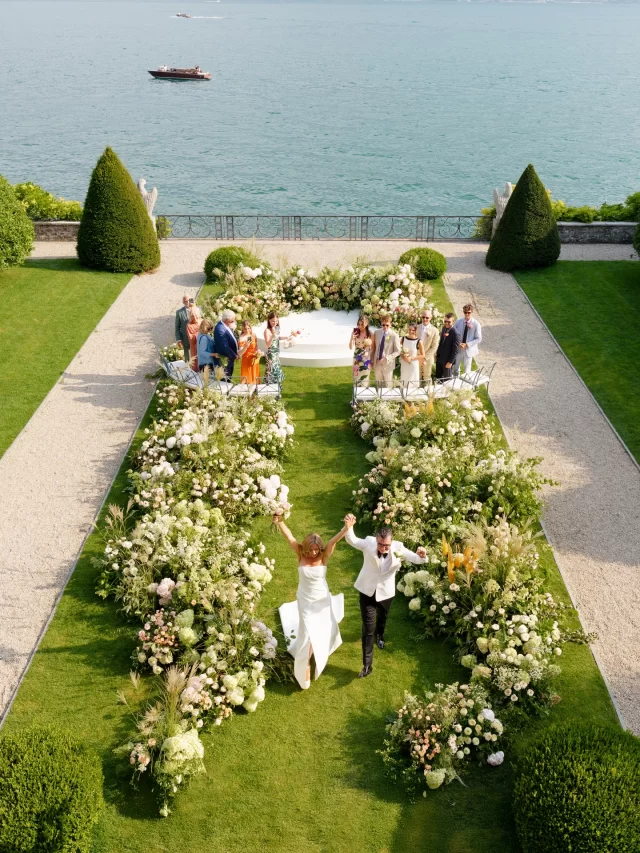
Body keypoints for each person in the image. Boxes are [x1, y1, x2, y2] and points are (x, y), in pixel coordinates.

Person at [344, 514, 426, 678]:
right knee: (368, 628)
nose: (383, 548)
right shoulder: (368, 543)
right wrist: (349, 526)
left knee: (382, 618)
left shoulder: (398, 548)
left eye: (386, 545)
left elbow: (416, 559)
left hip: (386, 593)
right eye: (380, 545)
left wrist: (423, 555)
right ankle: (367, 665)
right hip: (367, 591)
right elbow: (352, 540)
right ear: (376, 540)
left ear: (391, 542)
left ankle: (380, 635)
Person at [274, 514, 350, 689]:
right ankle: (305, 664)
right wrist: (280, 521)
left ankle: (310, 654)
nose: (314, 552)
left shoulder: (324, 556)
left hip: (322, 599)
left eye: (317, 549)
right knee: (305, 632)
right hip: (305, 600)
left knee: (321, 628)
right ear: (307, 546)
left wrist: (345, 529)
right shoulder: (300, 552)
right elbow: (289, 537)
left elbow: (332, 542)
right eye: (312, 549)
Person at [371, 315, 401, 387]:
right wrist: (372, 360)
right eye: (383, 325)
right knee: (379, 384)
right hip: (377, 362)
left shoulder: (394, 335)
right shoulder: (376, 333)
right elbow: (374, 347)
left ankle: (388, 398)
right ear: (381, 323)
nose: (385, 327)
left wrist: (387, 358)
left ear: (390, 324)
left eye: (387, 325)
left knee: (388, 385)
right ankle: (379, 397)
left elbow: (398, 351)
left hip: (388, 364)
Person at [264, 312, 293, 385]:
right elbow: (268, 345)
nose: (275, 323)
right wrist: (273, 335)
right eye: (273, 321)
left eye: (276, 321)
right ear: (269, 320)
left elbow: (277, 338)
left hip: (276, 354)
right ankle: (269, 389)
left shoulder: (276, 328)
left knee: (276, 372)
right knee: (271, 372)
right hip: (271, 355)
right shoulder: (267, 331)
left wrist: (286, 337)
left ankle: (277, 389)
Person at [453, 304, 482, 376]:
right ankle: (455, 384)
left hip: (469, 350)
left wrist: (467, 344)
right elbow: (454, 333)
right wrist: (458, 343)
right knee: (455, 368)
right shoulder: (458, 321)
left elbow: (479, 338)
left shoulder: (476, 324)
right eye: (465, 312)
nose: (467, 314)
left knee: (467, 371)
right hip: (459, 348)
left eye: (468, 312)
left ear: (472, 312)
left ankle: (465, 386)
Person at [213, 309, 238, 379]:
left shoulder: (225, 325)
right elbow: (225, 346)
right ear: (227, 320)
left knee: (228, 377)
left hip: (229, 358)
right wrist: (234, 355)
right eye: (232, 321)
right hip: (224, 359)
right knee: (225, 380)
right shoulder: (220, 329)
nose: (234, 322)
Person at [349, 315, 373, 386]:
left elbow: (373, 348)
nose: (360, 326)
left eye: (362, 324)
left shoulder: (370, 334)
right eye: (358, 324)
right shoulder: (355, 332)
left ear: (366, 323)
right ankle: (356, 394)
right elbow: (350, 347)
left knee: (365, 376)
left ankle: (364, 395)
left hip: (366, 358)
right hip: (356, 358)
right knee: (356, 376)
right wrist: (352, 339)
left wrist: (369, 357)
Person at [435, 312, 459, 381]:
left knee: (447, 380)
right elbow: (441, 342)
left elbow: (455, 350)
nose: (446, 323)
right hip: (440, 358)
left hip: (447, 361)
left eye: (449, 322)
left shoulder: (455, 333)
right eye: (445, 321)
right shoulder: (444, 328)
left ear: (453, 321)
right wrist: (437, 353)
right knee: (438, 378)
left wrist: (450, 362)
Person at [417, 309, 439, 382]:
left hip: (428, 358)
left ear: (431, 318)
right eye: (423, 317)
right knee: (417, 376)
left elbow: (434, 347)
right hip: (417, 357)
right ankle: (416, 391)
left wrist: (425, 357)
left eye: (427, 317)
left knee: (427, 377)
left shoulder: (435, 330)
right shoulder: (417, 328)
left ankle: (429, 392)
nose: (425, 319)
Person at [400, 323, 424, 387]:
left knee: (412, 381)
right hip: (404, 363)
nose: (411, 331)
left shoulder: (419, 341)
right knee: (404, 379)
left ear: (415, 331)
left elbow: (423, 355)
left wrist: (411, 358)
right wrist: (403, 356)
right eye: (409, 329)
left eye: (413, 330)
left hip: (413, 364)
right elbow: (399, 350)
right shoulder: (403, 339)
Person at [238, 320, 261, 384]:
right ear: (243, 329)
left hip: (254, 358)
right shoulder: (241, 337)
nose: (247, 330)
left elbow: (256, 345)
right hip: (246, 359)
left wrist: (258, 352)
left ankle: (255, 388)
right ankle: (247, 389)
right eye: (245, 329)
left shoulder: (253, 335)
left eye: (249, 328)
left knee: (255, 374)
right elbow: (240, 353)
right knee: (247, 374)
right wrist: (245, 347)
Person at [174, 295, 191, 362]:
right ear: (183, 302)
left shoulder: (196, 309)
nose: (187, 302)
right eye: (185, 301)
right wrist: (178, 339)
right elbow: (177, 327)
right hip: (185, 339)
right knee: (187, 359)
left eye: (188, 300)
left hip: (196, 339)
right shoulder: (179, 312)